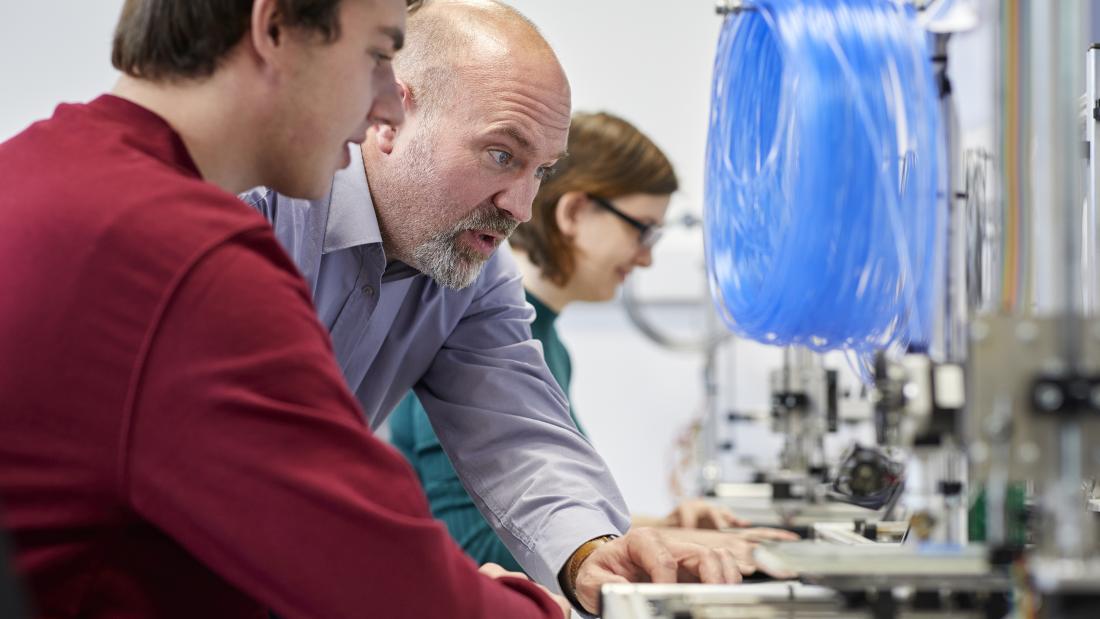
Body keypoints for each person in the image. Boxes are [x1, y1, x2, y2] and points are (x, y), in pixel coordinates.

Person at [0, 0, 576, 617]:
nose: (386, 104)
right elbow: (360, 563)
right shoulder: (182, 254)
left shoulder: (34, 171)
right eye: (378, 56)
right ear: (274, 29)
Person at [244, 0, 743, 614]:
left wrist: (588, 551)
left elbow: (515, 430)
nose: (522, 206)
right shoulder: (260, 205)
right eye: (502, 155)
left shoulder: (468, 273)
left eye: (542, 171)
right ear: (390, 114)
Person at [389, 110, 797, 573]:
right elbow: (480, 545)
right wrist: (667, 542)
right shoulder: (478, 333)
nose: (645, 259)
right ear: (575, 212)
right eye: (641, 229)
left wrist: (662, 530)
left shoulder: (547, 341)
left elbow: (543, 520)